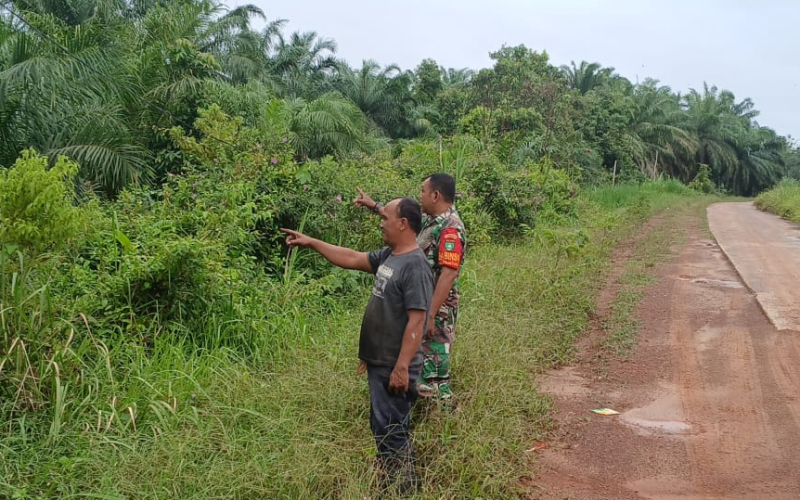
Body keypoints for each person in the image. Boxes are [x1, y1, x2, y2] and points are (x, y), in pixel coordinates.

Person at [281, 197, 433, 494]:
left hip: (395, 365)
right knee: (383, 426)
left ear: (403, 224)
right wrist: (313, 242)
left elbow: (418, 322)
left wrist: (401, 367)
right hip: (382, 362)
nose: (381, 221)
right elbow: (351, 257)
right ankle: (392, 482)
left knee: (392, 429)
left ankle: (403, 488)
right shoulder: (391, 255)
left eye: (386, 217)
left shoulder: (415, 266)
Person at [355, 173, 466, 401]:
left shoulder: (450, 228)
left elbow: (448, 273)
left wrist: (431, 314)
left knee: (434, 363)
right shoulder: (431, 220)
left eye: (423, 191)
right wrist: (375, 206)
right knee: (417, 358)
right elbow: (401, 217)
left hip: (437, 309)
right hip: (419, 303)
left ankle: (443, 415)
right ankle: (416, 406)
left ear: (435, 195)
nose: (420, 196)